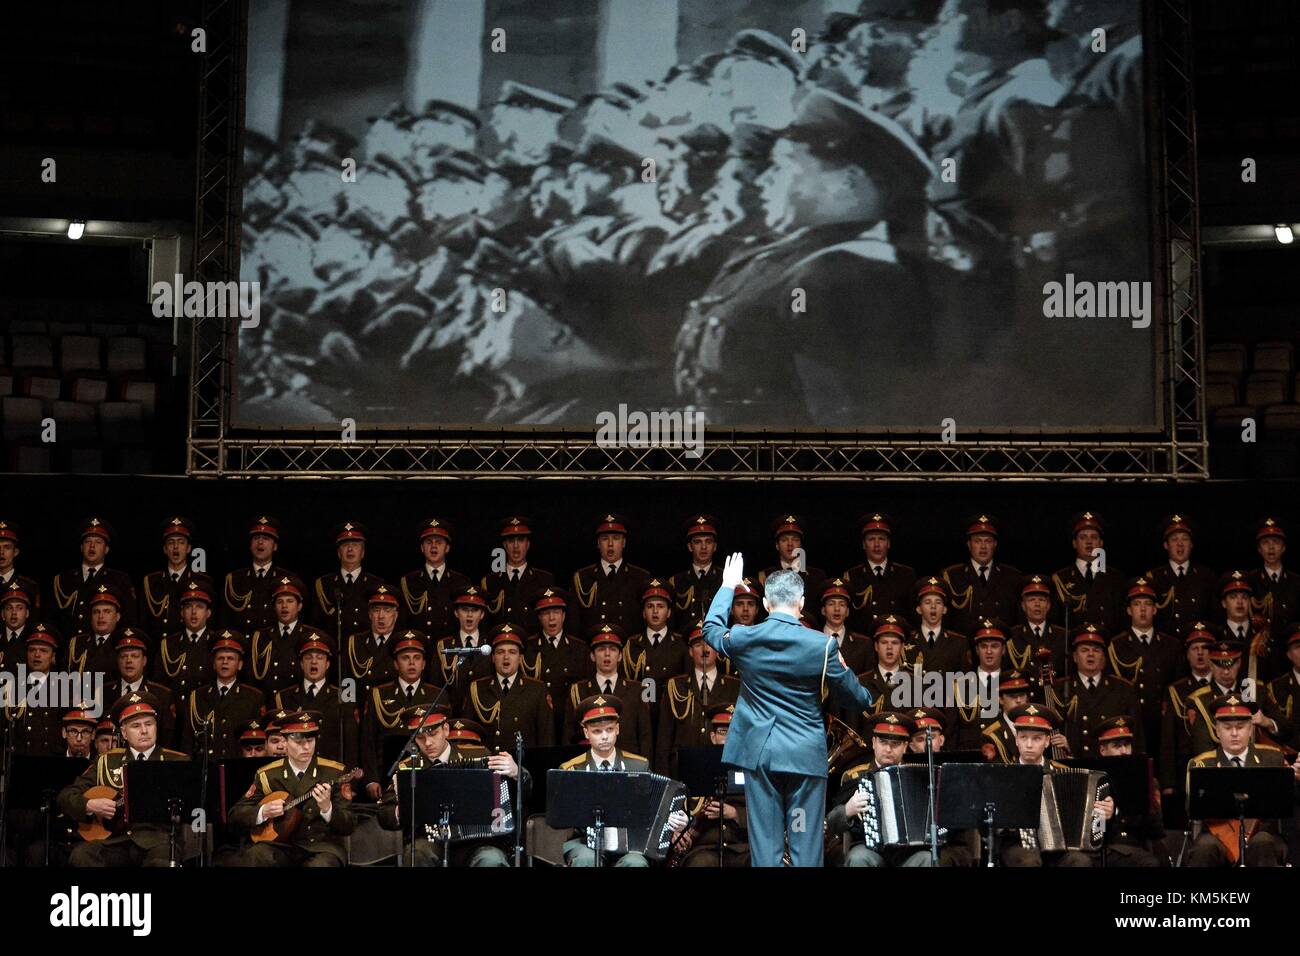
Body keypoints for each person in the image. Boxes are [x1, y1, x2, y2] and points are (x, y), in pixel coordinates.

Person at [701, 553, 876, 866]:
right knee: (804, 844)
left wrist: (728, 586)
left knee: (765, 847)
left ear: (766, 604)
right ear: (802, 602)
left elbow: (711, 628)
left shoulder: (745, 637)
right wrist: (845, 672)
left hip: (761, 756)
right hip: (803, 759)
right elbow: (858, 700)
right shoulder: (822, 646)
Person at [377, 705, 529, 867]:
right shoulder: (408, 767)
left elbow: (521, 793)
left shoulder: (479, 755)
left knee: (491, 860)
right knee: (418, 854)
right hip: (430, 841)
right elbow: (385, 813)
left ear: (446, 730)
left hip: (477, 842)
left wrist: (517, 772)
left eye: (433, 734)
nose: (427, 743)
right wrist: (403, 810)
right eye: (420, 737)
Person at [58, 692, 191, 867]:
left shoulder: (177, 761)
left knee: (161, 863)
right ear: (124, 732)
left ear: (156, 726)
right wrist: (89, 806)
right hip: (115, 841)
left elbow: (194, 808)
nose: (144, 731)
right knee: (82, 855)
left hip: (158, 843)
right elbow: (66, 796)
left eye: (149, 724)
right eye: (136, 726)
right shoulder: (106, 761)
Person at [558, 694, 689, 867]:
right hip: (584, 842)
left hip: (631, 844)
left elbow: (655, 808)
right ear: (586, 732)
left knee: (635, 863)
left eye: (610, 729)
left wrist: (675, 818)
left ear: (618, 729)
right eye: (597, 731)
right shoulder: (571, 769)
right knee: (586, 860)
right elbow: (562, 815)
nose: (604, 736)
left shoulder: (638, 766)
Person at [227, 710, 356, 867]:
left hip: (320, 847)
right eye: (299, 742)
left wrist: (327, 809)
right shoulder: (268, 774)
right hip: (280, 845)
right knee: (256, 856)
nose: (306, 747)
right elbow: (235, 815)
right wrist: (263, 811)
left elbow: (349, 824)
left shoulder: (335, 772)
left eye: (310, 740)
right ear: (285, 742)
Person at [1184, 694, 1296, 867]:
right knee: (1204, 847)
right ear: (1217, 731)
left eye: (1241, 727)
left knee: (1263, 841)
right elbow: (1191, 808)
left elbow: (1288, 803)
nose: (1234, 733)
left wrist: (1295, 779)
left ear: (1250, 729)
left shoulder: (1272, 758)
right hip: (1218, 837)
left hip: (1261, 835)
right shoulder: (1201, 764)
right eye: (1227, 727)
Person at [1001, 703, 1114, 867]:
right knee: (1028, 861)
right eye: (1024, 737)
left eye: (1037, 738)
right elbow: (990, 823)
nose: (1029, 744)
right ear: (1016, 740)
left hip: (1060, 848)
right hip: (1019, 845)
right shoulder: (1004, 775)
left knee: (1080, 862)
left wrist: (1103, 816)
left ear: (1047, 742)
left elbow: (1095, 825)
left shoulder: (1065, 774)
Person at [827, 711, 933, 867]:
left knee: (927, 859)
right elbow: (831, 823)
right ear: (874, 742)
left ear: (905, 747)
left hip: (909, 852)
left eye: (895, 744)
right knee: (858, 858)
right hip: (869, 849)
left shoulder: (917, 777)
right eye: (883, 742)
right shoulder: (855, 776)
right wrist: (848, 810)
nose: (888, 749)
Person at [1094, 715, 1166, 867]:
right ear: (1103, 750)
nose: (1124, 751)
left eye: (1126, 745)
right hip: (1099, 847)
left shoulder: (1146, 780)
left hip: (1131, 847)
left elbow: (1157, 831)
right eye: (1117, 746)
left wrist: (1150, 803)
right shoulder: (1093, 778)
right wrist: (1104, 817)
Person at [50, 517, 136, 637]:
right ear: (81, 547)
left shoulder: (119, 580)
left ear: (106, 549)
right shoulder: (62, 580)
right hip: (69, 649)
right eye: (88, 541)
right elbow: (52, 620)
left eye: (98, 542)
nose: (92, 546)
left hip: (104, 650)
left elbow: (128, 620)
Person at [941, 514, 1022, 636]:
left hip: (999, 647)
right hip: (964, 648)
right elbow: (944, 619)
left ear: (995, 544)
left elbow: (1018, 620)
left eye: (988, 541)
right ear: (969, 544)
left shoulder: (1012, 576)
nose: (983, 547)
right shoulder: (952, 576)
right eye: (978, 541)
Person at [840, 512, 917, 635]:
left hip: (895, 641)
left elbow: (913, 614)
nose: (876, 545)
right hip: (865, 644)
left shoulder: (905, 574)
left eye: (881, 539)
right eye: (871, 539)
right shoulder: (852, 576)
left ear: (888, 543)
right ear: (864, 544)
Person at [311, 521, 384, 637]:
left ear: (363, 552)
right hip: (334, 649)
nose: (350, 549)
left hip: (364, 651)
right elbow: (316, 625)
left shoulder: (376, 584)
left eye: (355, 545)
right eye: (345, 545)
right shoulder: (324, 584)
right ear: (339, 553)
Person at [138, 516, 198, 637]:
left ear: (188, 548)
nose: (176, 547)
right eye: (171, 542)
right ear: (165, 549)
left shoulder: (200, 581)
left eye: (181, 542)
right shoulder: (151, 582)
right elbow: (142, 624)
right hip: (157, 650)